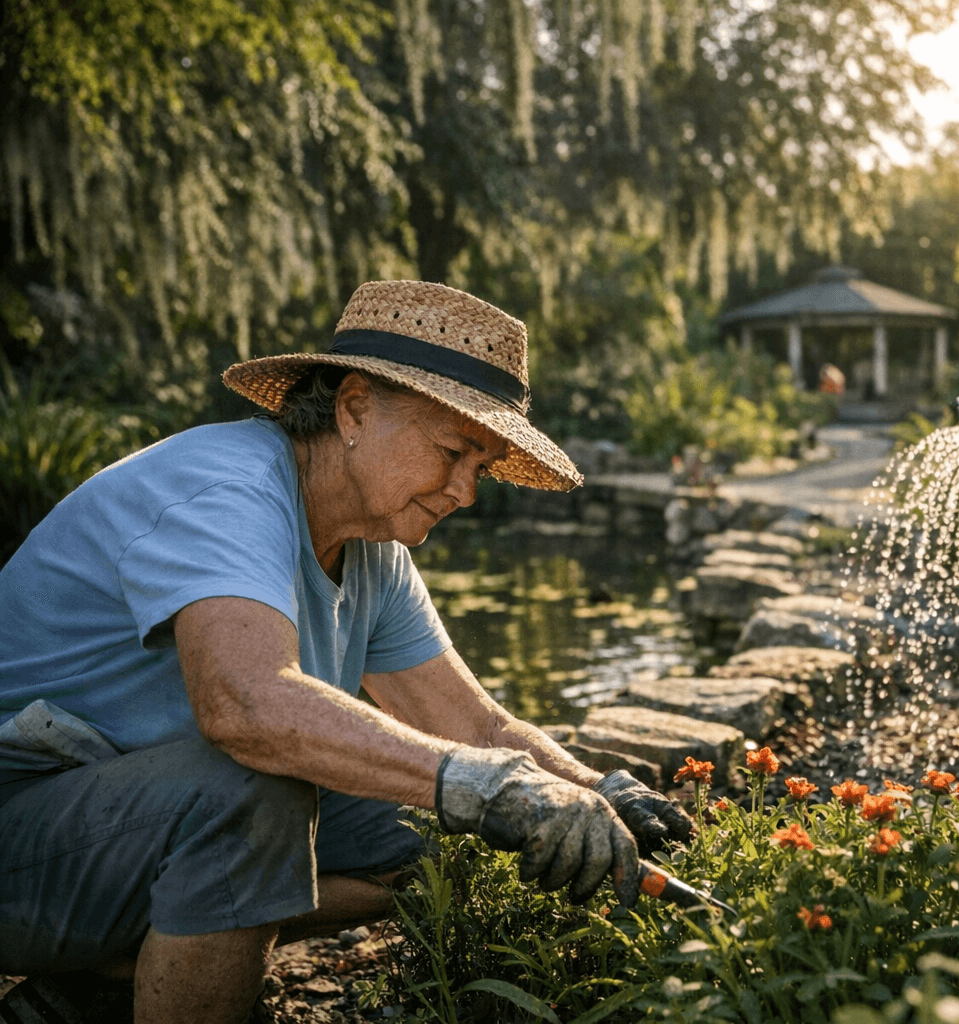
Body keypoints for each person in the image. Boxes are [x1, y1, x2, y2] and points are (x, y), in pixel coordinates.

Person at [0, 281, 693, 1022]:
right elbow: (247, 708)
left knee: (439, 838)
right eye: (453, 452)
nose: (466, 492)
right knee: (252, 788)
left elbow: (477, 728)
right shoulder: (226, 490)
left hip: (120, 833)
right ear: (355, 409)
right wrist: (481, 784)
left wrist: (601, 791)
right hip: (22, 836)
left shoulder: (372, 548)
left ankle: (109, 984)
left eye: (482, 468)